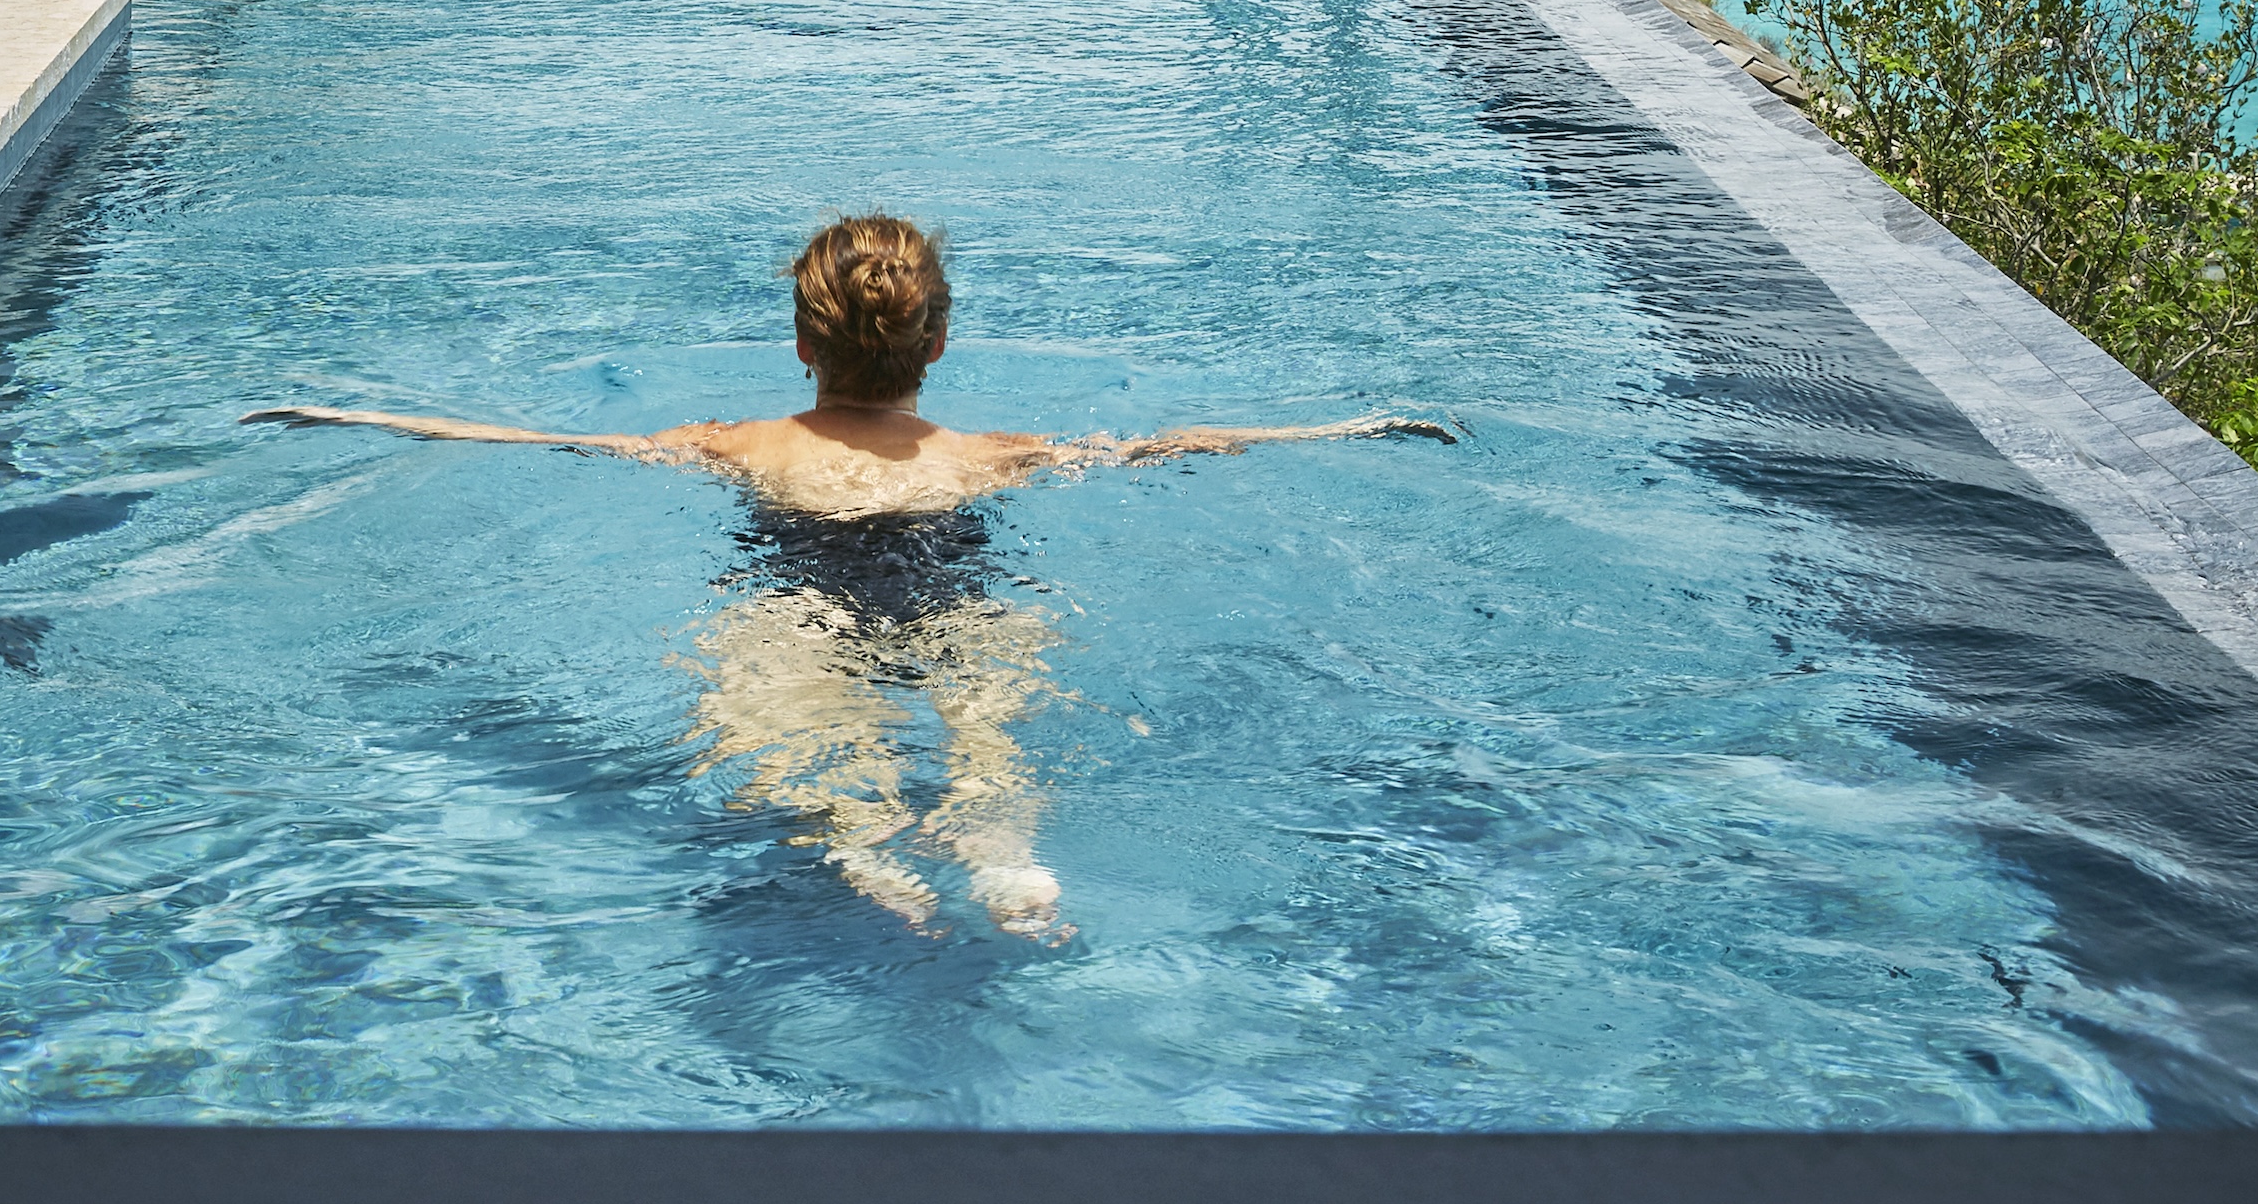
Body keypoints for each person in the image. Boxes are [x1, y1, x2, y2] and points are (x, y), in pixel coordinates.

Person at [246, 212, 1450, 937]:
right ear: (938, 340)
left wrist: (353, 413)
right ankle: (1007, 862)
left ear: (803, 342)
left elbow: (542, 441)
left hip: (802, 601)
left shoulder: (738, 446)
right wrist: (1349, 430)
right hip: (961, 596)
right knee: (993, 737)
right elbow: (1175, 445)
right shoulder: (994, 455)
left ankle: (860, 842)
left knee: (787, 733)